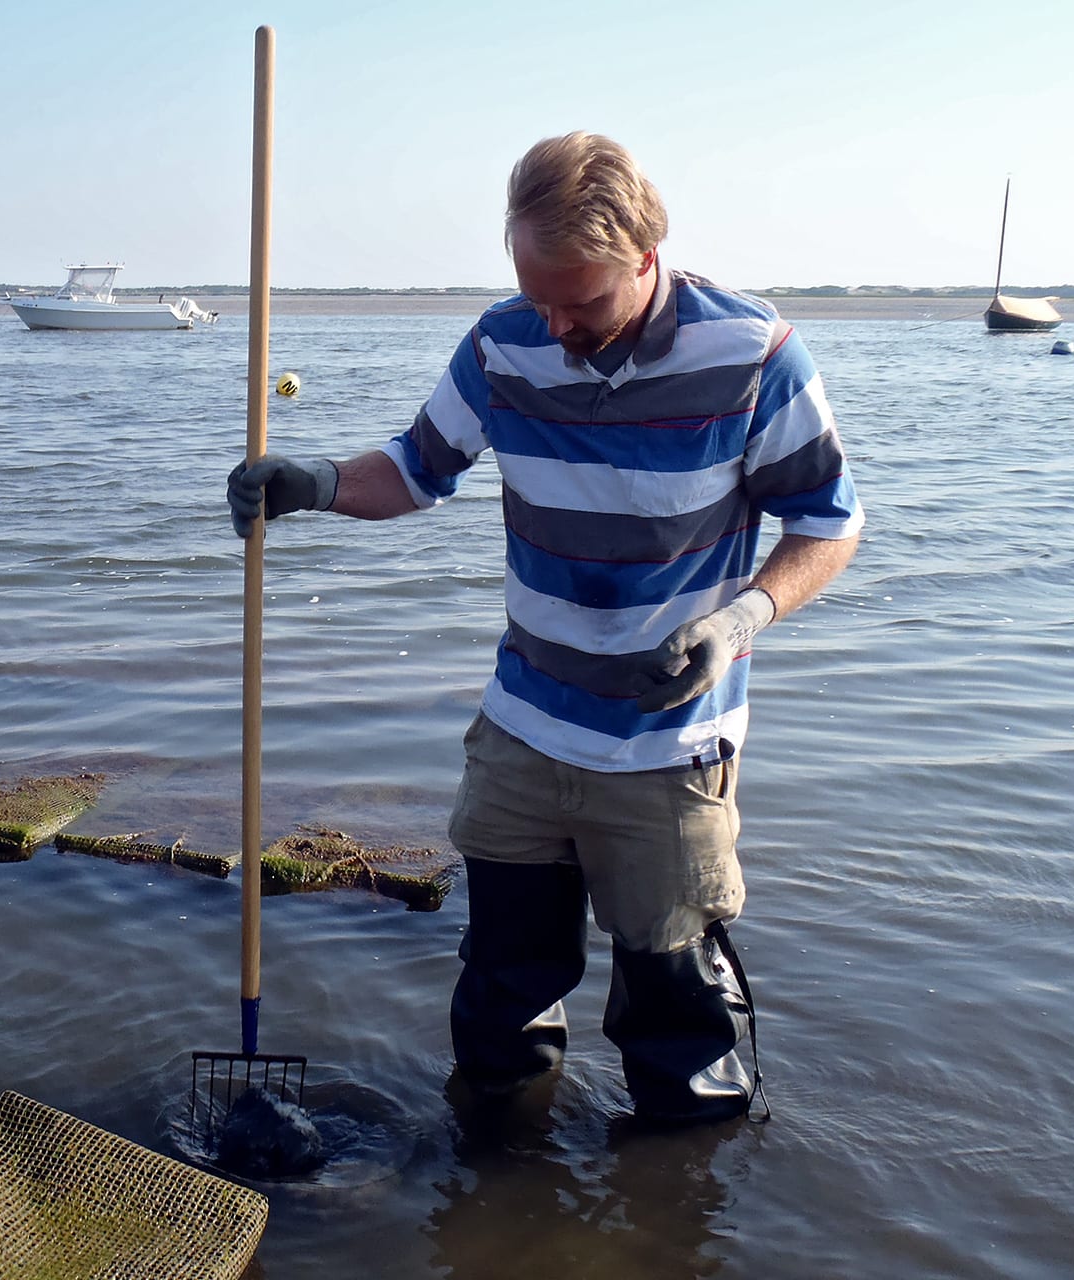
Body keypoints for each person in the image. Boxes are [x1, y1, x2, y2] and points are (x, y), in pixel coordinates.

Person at [226, 132, 862, 1124]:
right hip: (524, 728)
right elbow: (416, 466)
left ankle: (676, 1211)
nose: (557, 325)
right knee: (499, 1001)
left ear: (649, 255)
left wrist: (740, 619)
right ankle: (497, 1189)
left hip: (665, 745)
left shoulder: (753, 355)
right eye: (539, 296)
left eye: (584, 302)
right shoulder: (503, 341)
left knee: (676, 1026)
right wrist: (312, 482)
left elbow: (830, 522)